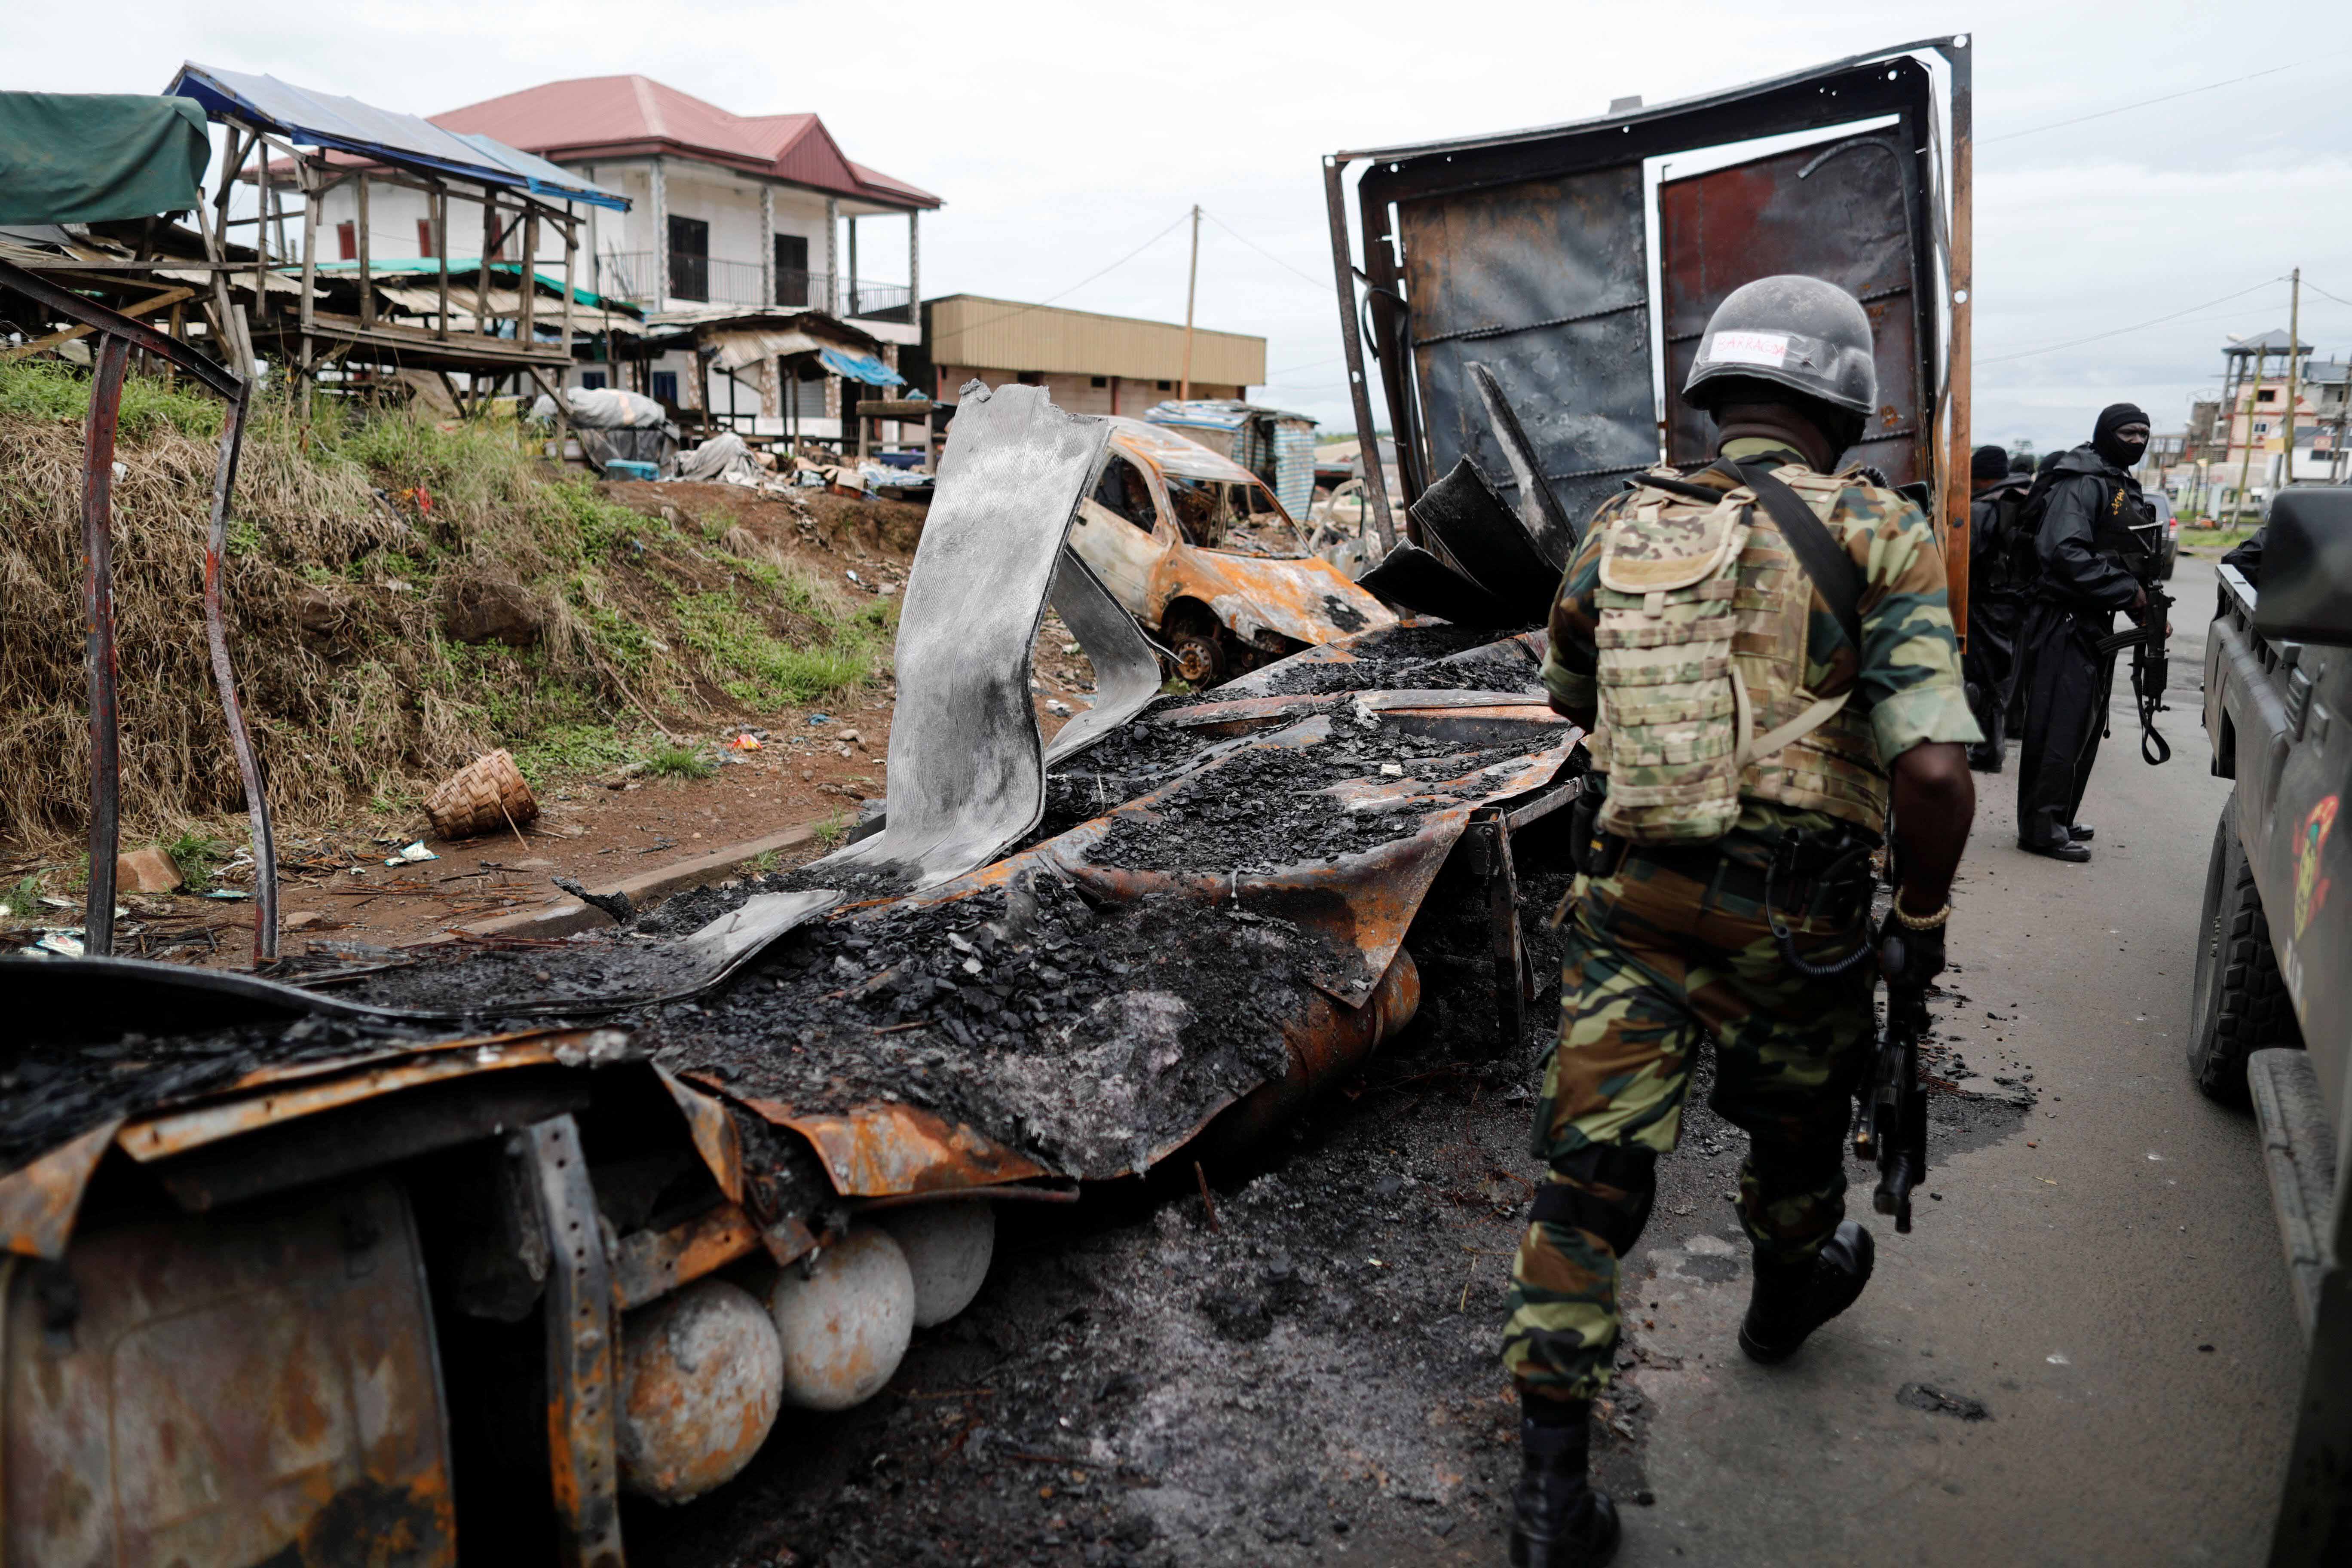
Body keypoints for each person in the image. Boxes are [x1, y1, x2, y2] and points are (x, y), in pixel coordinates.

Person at [1504, 275, 1979, 1566]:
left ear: (1716, 393)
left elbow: (1566, 695)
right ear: (1844, 398)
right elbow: (1934, 772)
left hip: (1633, 900)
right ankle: (1783, 1296)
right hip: (1798, 919)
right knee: (1797, 1125)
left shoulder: (1622, 528)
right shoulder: (1880, 534)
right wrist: (1919, 921)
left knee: (1588, 1173)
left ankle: (1549, 1500)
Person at [2012, 404, 2156, 861]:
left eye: (2144, 434)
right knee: (2059, 723)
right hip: (2063, 619)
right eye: (2129, 432)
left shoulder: (2114, 481)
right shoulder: (2084, 481)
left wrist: (2140, 603)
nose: (2138, 441)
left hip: (2092, 619)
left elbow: (2119, 551)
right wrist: (2127, 592)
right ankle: (2041, 828)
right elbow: (2063, 551)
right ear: (2106, 434)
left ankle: (2059, 814)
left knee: (2084, 726)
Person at [1963, 445, 2034, 770]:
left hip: (1983, 604)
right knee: (1999, 680)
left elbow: (1966, 558)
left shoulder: (1983, 508)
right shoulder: (2020, 500)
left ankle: (1987, 752)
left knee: (1982, 679)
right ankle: (1991, 749)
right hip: (2013, 603)